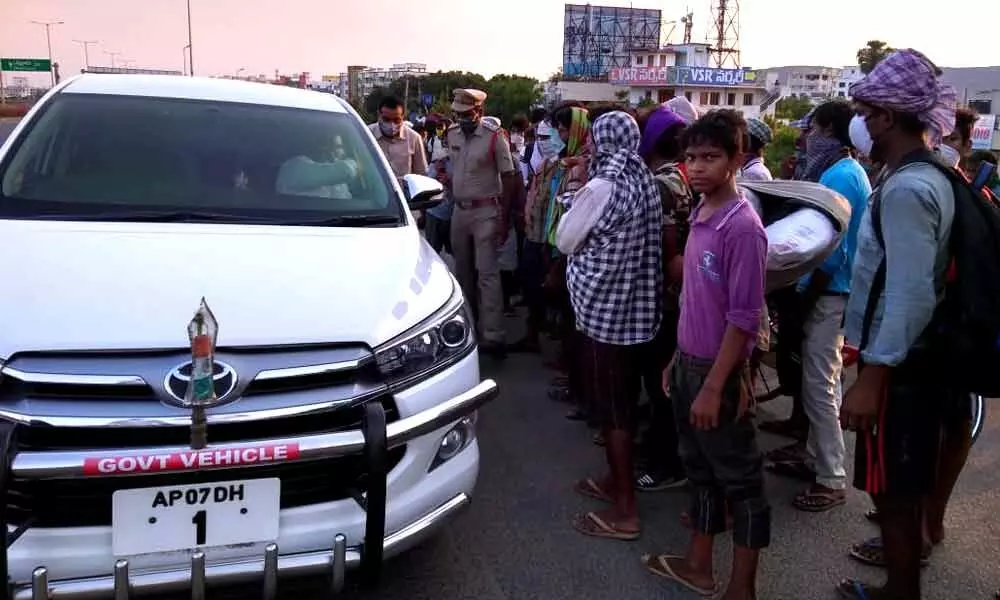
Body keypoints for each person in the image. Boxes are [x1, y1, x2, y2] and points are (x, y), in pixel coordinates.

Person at [838, 48, 960, 600]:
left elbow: (909, 295)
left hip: (902, 371)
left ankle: (901, 593)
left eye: (865, 111)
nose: (860, 122)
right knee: (895, 488)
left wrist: (873, 377)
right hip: (908, 364)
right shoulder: (925, 173)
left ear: (886, 117)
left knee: (895, 493)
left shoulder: (911, 188)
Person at [641, 109, 768, 600]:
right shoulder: (700, 213)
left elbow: (743, 318)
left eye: (710, 157)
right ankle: (698, 565)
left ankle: (743, 587)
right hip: (690, 365)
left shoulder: (743, 227)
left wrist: (717, 385)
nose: (696, 167)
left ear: (737, 159)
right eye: (691, 157)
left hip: (720, 372)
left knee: (743, 484)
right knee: (700, 472)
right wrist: (678, 355)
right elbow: (697, 301)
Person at [565, 111, 661, 542]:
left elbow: (565, 239)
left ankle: (625, 511)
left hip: (605, 314)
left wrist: (575, 190)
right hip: (639, 312)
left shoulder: (601, 186)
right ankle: (613, 482)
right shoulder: (645, 181)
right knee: (624, 401)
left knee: (614, 411)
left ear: (600, 142)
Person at [784, 100, 872, 513]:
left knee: (820, 385)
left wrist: (805, 295)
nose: (807, 137)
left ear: (833, 132)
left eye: (814, 129)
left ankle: (831, 477)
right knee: (822, 380)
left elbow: (830, 246)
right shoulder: (838, 170)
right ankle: (815, 457)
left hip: (829, 289)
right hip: (826, 287)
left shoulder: (840, 175)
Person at [633, 106, 691, 491]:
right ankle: (661, 449)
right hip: (677, 293)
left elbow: (666, 247)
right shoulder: (675, 176)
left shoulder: (663, 183)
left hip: (667, 297)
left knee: (661, 383)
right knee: (662, 381)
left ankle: (668, 462)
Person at [447, 89, 519, 358]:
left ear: (479, 112)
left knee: (487, 274)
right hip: (460, 210)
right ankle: (466, 329)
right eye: (458, 113)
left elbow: (509, 176)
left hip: (487, 210)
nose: (462, 118)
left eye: (467, 114)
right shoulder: (452, 134)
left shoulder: (493, 137)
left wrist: (505, 217)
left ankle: (492, 335)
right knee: (462, 272)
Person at [370, 96, 427, 180]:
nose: (391, 125)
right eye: (386, 120)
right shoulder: (367, 135)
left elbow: (421, 175)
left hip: (403, 192)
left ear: (403, 117)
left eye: (396, 120)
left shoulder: (414, 138)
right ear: (379, 115)